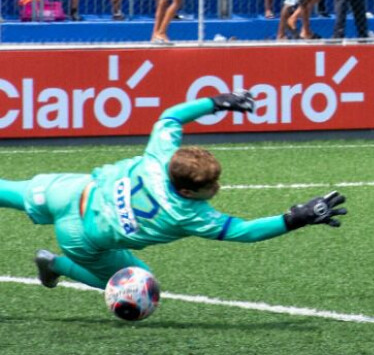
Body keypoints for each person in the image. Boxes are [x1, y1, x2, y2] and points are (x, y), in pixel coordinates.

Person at [0, 92, 346, 293]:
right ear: (186, 190)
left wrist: (215, 102)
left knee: (8, 192)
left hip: (70, 190)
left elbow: (171, 117)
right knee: (140, 284)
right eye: (210, 186)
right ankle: (55, 263)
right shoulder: (190, 215)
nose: (217, 188)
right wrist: (297, 218)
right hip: (82, 238)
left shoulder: (160, 156)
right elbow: (244, 232)